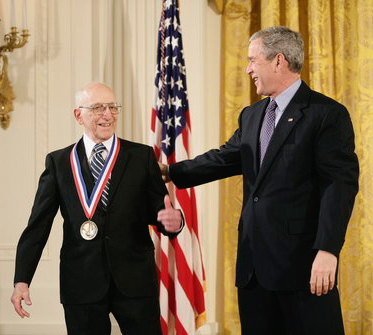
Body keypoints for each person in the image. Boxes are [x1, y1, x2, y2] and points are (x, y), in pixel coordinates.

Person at [160, 26, 359, 335]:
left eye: (253, 60)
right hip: (254, 269)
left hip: (303, 267)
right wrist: (170, 172)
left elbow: (339, 186)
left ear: (278, 61)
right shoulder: (252, 115)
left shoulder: (326, 115)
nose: (248, 68)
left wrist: (328, 250)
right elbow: (226, 158)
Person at [10, 82, 183, 335]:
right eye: (98, 107)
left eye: (113, 107)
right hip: (81, 282)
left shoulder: (141, 156)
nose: (108, 114)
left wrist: (174, 221)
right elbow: (38, 225)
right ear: (78, 115)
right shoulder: (59, 163)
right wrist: (22, 279)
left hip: (134, 281)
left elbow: (160, 211)